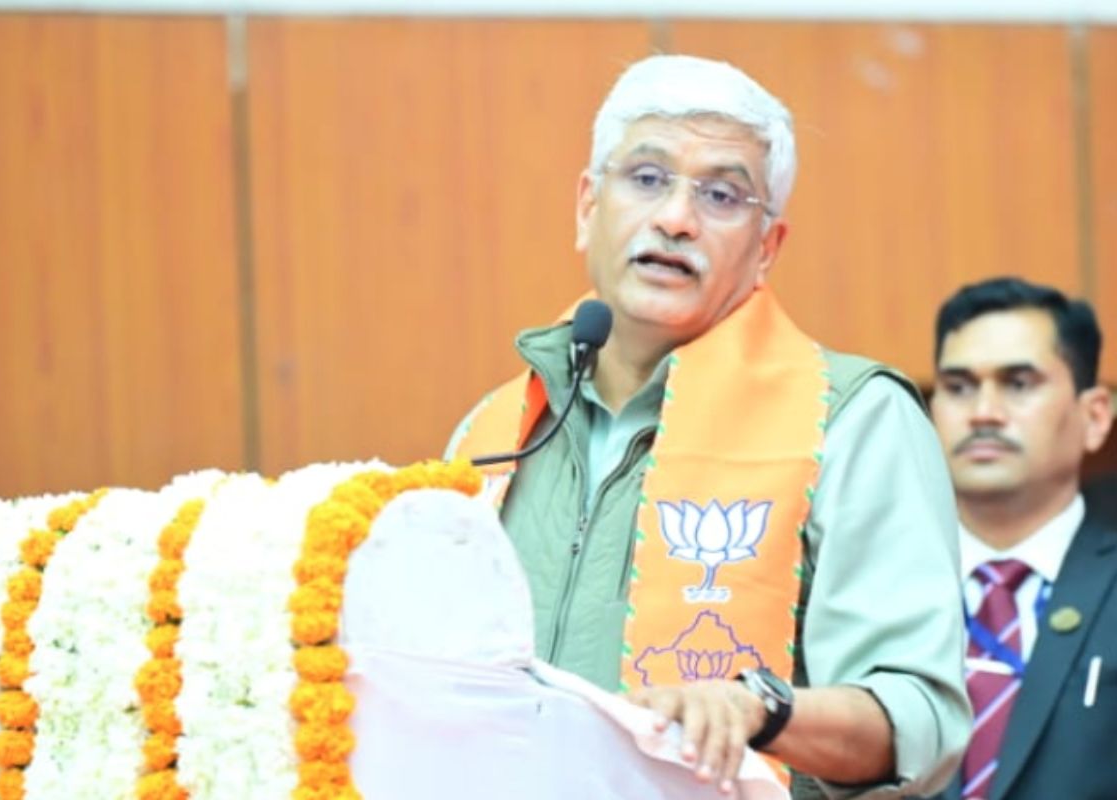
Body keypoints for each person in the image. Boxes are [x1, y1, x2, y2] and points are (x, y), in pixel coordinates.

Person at [449, 55, 969, 799]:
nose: (675, 219)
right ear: (588, 208)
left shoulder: (855, 420)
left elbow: (918, 722)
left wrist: (759, 710)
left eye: (722, 194)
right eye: (647, 178)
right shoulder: (496, 430)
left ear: (767, 249)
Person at [928, 277, 1117, 800]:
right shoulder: (873, 585)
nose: (983, 412)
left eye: (1018, 383)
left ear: (1094, 417)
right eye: (958, 387)